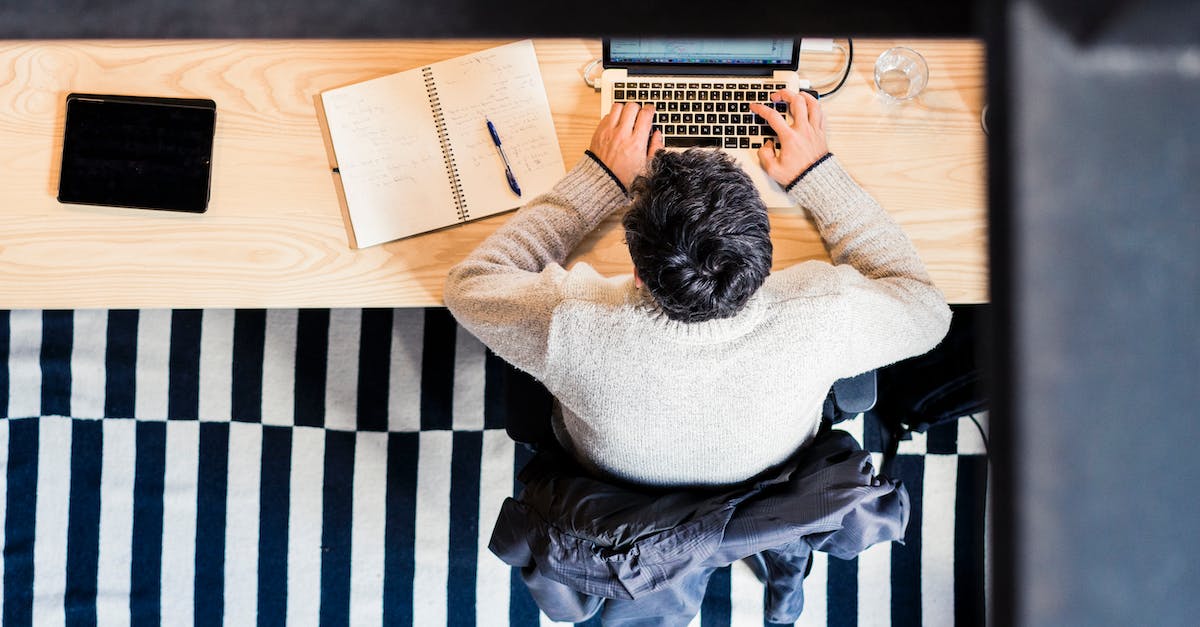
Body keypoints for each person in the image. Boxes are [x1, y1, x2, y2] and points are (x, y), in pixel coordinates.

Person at [444, 91, 951, 488]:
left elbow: (470, 284)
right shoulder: (823, 313)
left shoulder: (573, 321)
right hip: (768, 486)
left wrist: (599, 180)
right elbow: (926, 307)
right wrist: (817, 175)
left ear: (638, 274)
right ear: (764, 259)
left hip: (610, 489)